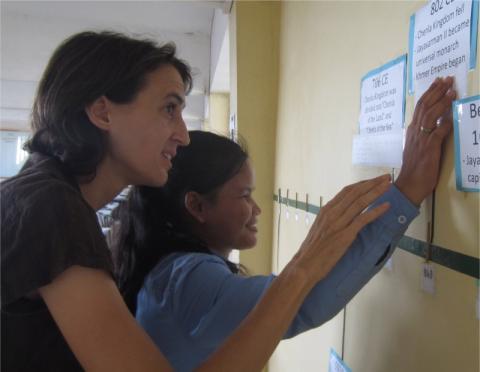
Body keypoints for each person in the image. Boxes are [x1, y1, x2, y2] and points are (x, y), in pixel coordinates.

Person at [0, 30, 403, 372]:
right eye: (169, 108)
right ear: (103, 112)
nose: (183, 134)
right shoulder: (53, 207)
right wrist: (303, 267)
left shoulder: (42, 197)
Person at [114, 75, 457, 371]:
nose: (256, 210)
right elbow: (301, 302)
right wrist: (408, 190)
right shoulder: (187, 280)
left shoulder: (169, 272)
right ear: (197, 205)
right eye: (244, 195)